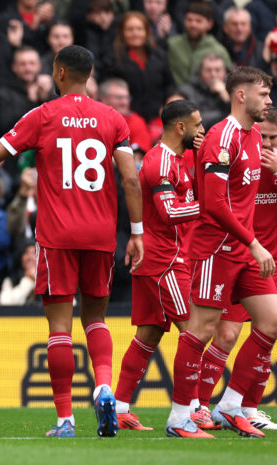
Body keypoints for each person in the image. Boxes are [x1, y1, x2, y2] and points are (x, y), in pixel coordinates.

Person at [0, 45, 143, 438]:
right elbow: (132, 179)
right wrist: (137, 233)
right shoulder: (113, 119)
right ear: (88, 75)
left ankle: (65, 419)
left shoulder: (42, 115)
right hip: (101, 235)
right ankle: (104, 386)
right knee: (96, 319)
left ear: (57, 73)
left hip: (57, 237)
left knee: (59, 328)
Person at [165, 66, 276, 439]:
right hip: (216, 247)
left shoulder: (254, 134)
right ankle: (180, 416)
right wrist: (254, 242)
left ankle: (229, 405)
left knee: (271, 322)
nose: (269, 100)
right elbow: (213, 204)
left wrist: (250, 244)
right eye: (263, 94)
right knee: (203, 329)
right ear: (241, 95)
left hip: (243, 248)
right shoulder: (221, 137)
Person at [113, 100, 204, 431]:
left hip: (163, 258)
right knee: (194, 331)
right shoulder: (160, 162)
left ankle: (119, 407)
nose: (202, 130)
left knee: (148, 335)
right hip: (163, 262)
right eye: (198, 124)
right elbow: (167, 214)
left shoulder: (178, 160)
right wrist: (209, 206)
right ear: (181, 127)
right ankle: (191, 411)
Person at [193, 106, 277, 432]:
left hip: (266, 261)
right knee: (224, 334)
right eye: (264, 137)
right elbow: (211, 196)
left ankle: (244, 406)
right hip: (231, 254)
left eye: (274, 138)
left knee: (268, 330)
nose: (268, 144)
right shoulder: (240, 156)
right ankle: (199, 405)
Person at [100, 11, 173, 122]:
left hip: (158, 118)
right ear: (122, 32)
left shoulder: (159, 55)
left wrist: (172, 99)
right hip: (126, 119)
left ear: (146, 32)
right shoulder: (112, 59)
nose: (135, 33)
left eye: (139, 29)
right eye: (130, 29)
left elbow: (170, 85)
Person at [167, 2, 231, 87]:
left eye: (198, 21)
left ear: (210, 24)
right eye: (189, 20)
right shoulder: (172, 45)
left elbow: (228, 81)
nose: (193, 25)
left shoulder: (219, 51)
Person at [180, 53, 231, 131]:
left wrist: (227, 97)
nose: (213, 74)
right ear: (200, 72)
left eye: (217, 70)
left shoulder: (233, 89)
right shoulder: (188, 91)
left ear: (224, 71)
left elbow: (241, 117)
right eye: (208, 70)